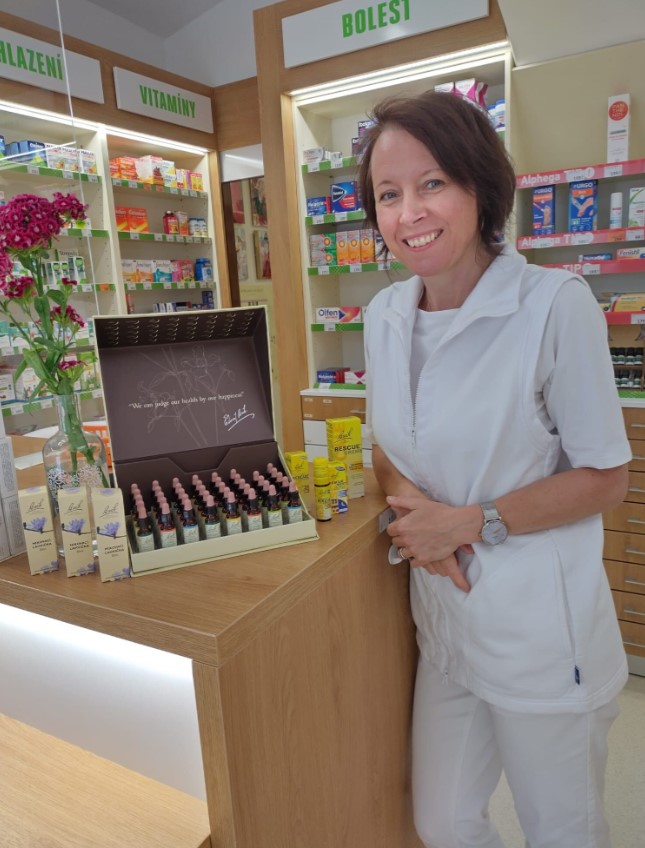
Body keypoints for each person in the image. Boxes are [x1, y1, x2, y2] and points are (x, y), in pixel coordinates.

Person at [358, 90, 631, 848]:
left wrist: (468, 523)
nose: (409, 212)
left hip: (540, 632)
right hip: (446, 626)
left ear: (480, 186)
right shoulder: (384, 317)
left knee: (563, 832)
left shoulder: (553, 305)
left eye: (432, 183)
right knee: (442, 822)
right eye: (388, 194)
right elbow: (385, 444)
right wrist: (414, 509)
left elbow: (606, 477)